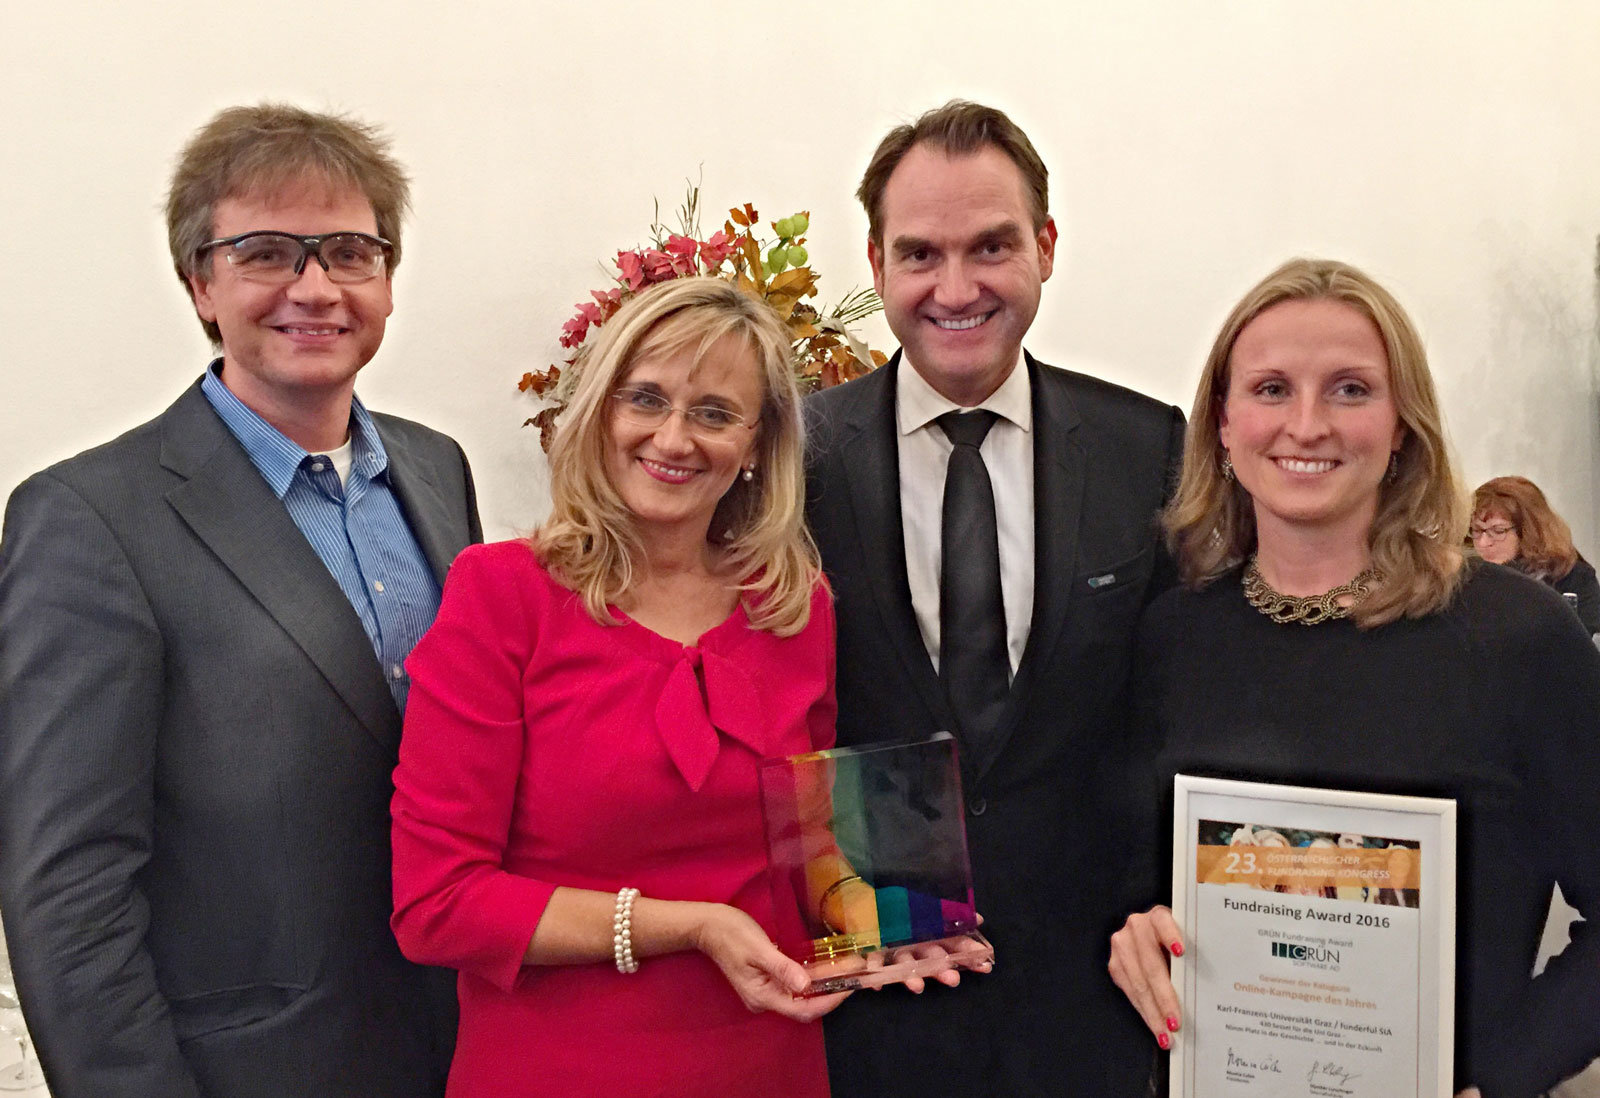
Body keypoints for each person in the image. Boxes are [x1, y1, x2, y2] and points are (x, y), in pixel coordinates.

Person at [0, 104, 479, 1098]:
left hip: (459, 1046)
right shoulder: (90, 519)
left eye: (349, 250)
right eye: (266, 251)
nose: (314, 286)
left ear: (387, 279)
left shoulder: (438, 474)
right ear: (200, 283)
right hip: (251, 1069)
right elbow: (67, 888)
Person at [1108, 258, 1600, 1097]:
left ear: (1402, 423)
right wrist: (1130, 934)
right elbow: (1135, 877)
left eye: (1349, 389)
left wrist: (1507, 1077)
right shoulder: (1173, 634)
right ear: (1222, 424)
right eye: (1269, 388)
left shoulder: (1521, 638)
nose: (1306, 424)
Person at [390, 277, 853, 1097]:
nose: (674, 438)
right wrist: (690, 927)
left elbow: (809, 847)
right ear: (602, 410)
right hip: (557, 1068)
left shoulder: (791, 608)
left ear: (756, 445)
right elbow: (438, 903)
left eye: (714, 413)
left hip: (765, 1061)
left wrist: (892, 929)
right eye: (646, 399)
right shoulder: (502, 595)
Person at [806, 100, 1186, 1095]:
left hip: (1092, 997)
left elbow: (1175, 702)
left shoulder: (1147, 447)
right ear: (879, 263)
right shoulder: (791, 455)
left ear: (1046, 247)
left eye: (991, 246)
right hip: (877, 993)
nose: (956, 287)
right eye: (921, 253)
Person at [1471, 475, 1600, 634]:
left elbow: (1583, 648)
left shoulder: (1574, 578)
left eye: (1498, 531)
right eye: (1477, 530)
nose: (1483, 543)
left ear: (1529, 532)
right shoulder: (1468, 578)